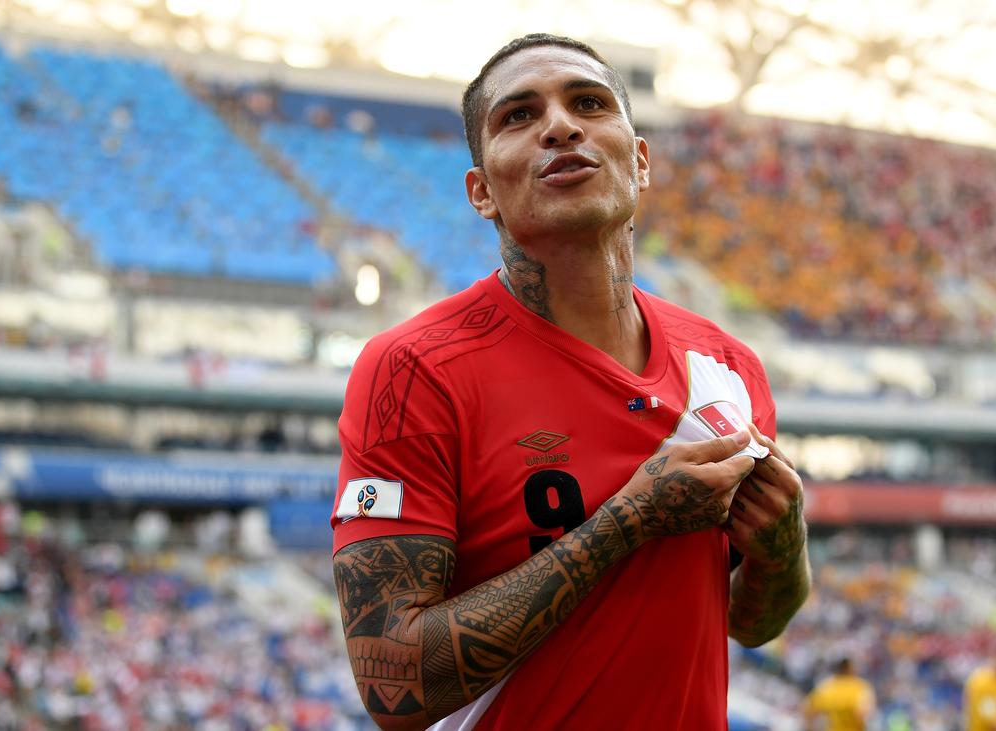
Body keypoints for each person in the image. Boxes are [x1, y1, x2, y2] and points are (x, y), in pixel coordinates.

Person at [330, 33, 811, 731]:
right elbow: (392, 682)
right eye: (519, 115)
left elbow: (752, 622)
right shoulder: (413, 368)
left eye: (589, 103)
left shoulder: (730, 366)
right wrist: (628, 521)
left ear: (639, 161)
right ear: (482, 192)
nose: (560, 126)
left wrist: (784, 549)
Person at [802, 657, 876, 731]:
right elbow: (863, 713)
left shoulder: (826, 687)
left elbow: (807, 711)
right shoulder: (860, 687)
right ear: (849, 668)